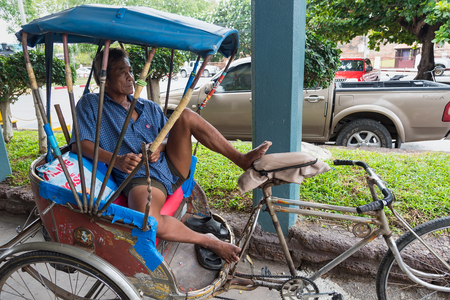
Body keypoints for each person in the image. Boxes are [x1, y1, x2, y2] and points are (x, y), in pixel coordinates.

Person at [70, 48, 271, 263]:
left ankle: (241, 159)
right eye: (121, 71)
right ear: (105, 78)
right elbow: (79, 145)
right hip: (140, 178)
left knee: (184, 115)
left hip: (171, 166)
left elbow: (168, 137)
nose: (130, 77)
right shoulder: (92, 104)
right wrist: (116, 160)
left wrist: (161, 147)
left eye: (130, 70)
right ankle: (208, 240)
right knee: (148, 219)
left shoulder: (148, 106)